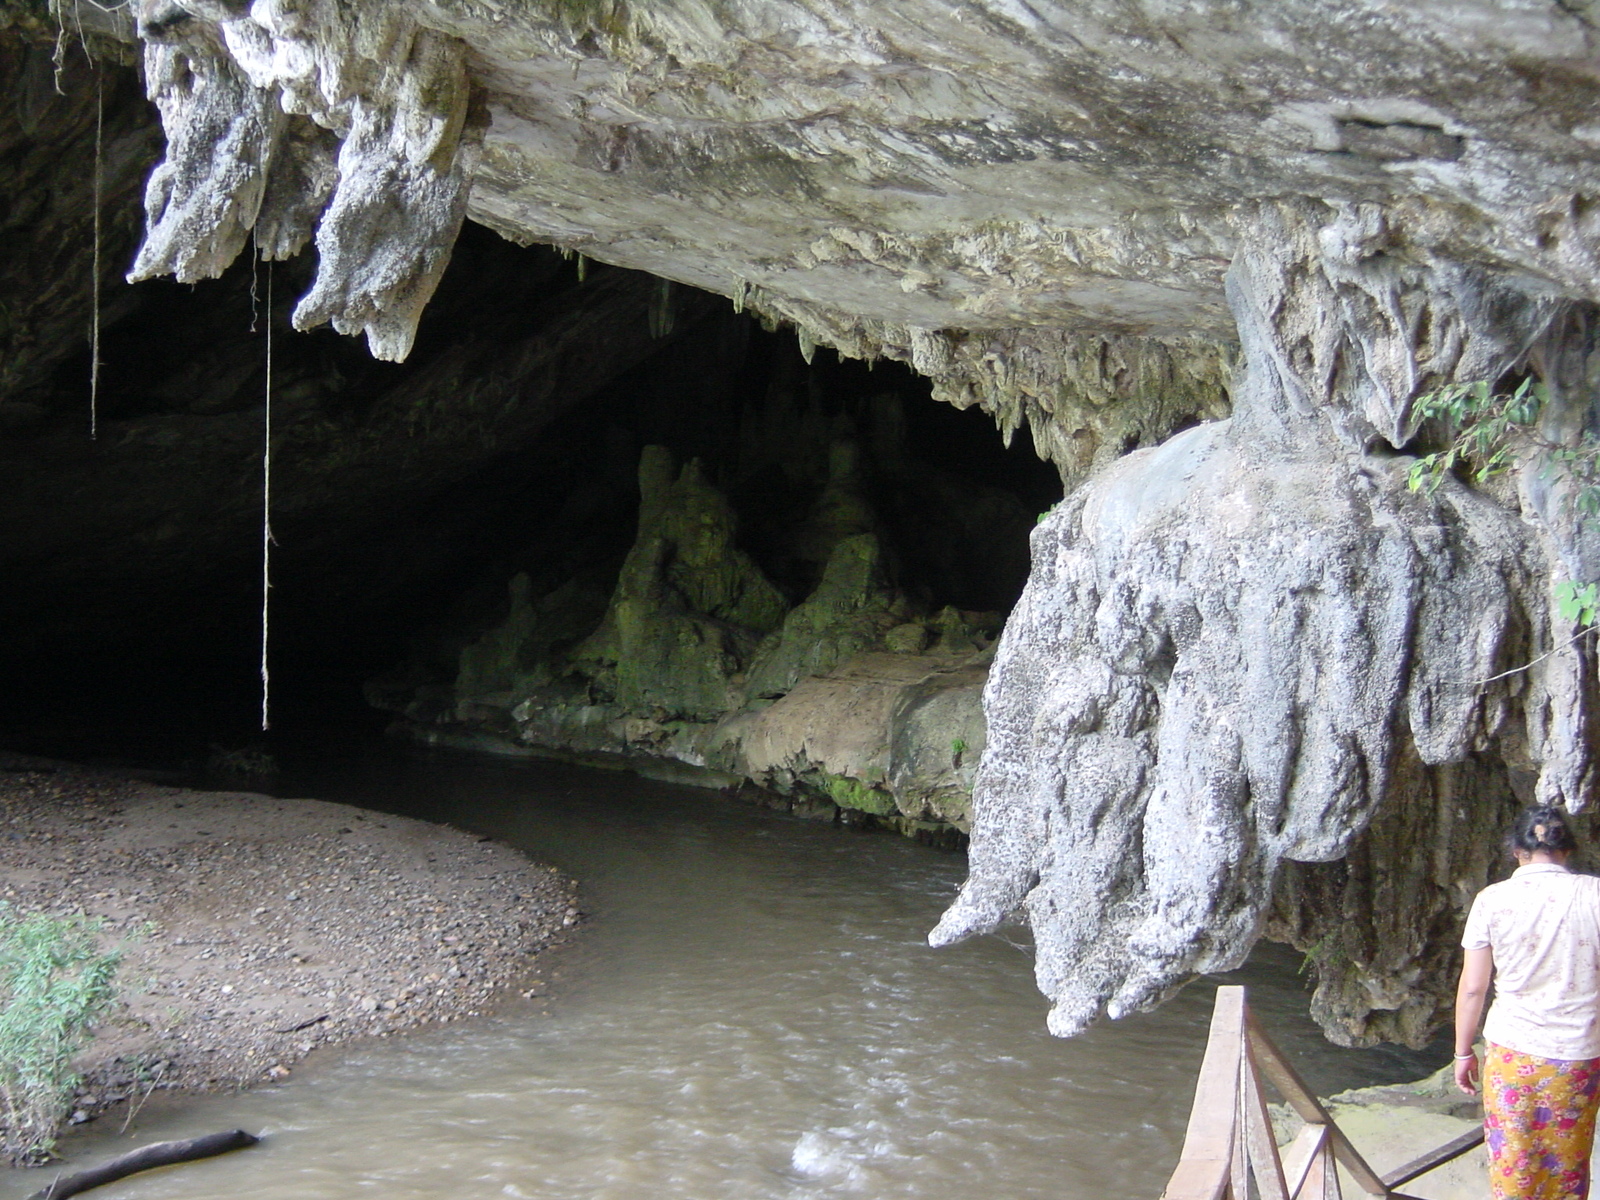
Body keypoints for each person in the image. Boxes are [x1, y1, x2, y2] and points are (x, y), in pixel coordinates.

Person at [1455, 805, 1600, 1200]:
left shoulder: (1491, 900)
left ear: (1516, 851)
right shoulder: (1595, 895)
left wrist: (1462, 1052)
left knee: (1514, 1161)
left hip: (1512, 1055)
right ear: (1567, 850)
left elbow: (1473, 987)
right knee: (1568, 1163)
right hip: (1577, 1056)